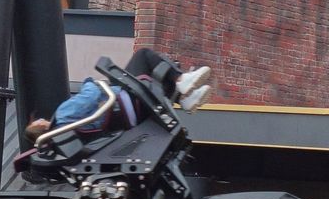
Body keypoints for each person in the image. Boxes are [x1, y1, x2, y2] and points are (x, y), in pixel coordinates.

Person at [26, 49, 213, 141]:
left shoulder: (66, 136)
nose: (40, 119)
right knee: (143, 56)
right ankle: (182, 80)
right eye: (36, 122)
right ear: (40, 126)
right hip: (124, 101)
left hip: (127, 119)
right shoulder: (62, 116)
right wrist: (89, 82)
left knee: (153, 80)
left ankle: (185, 98)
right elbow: (89, 96)